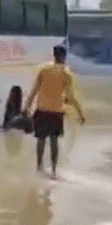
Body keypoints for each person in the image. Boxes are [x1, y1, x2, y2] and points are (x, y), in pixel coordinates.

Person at [23, 44, 85, 178]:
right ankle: (54, 170)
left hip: (42, 110)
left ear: (54, 55)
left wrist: (26, 107)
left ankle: (39, 166)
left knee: (40, 139)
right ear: (64, 57)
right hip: (57, 112)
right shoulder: (66, 74)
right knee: (54, 140)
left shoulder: (43, 70)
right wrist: (80, 114)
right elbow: (70, 96)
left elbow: (34, 91)